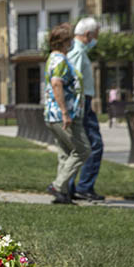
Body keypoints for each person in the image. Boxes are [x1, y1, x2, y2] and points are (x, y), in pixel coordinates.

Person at [43, 23, 90, 205]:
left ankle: (61, 194)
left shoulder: (54, 58)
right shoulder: (60, 61)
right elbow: (56, 83)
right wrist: (65, 112)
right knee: (83, 150)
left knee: (65, 153)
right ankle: (58, 185)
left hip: (53, 115)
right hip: (62, 115)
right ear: (65, 42)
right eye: (69, 39)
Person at [66, 17, 105, 201]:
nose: (96, 39)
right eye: (95, 35)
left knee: (80, 146)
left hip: (83, 103)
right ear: (88, 35)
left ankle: (71, 186)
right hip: (83, 104)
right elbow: (72, 80)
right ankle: (83, 187)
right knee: (94, 144)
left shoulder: (79, 51)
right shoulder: (78, 52)